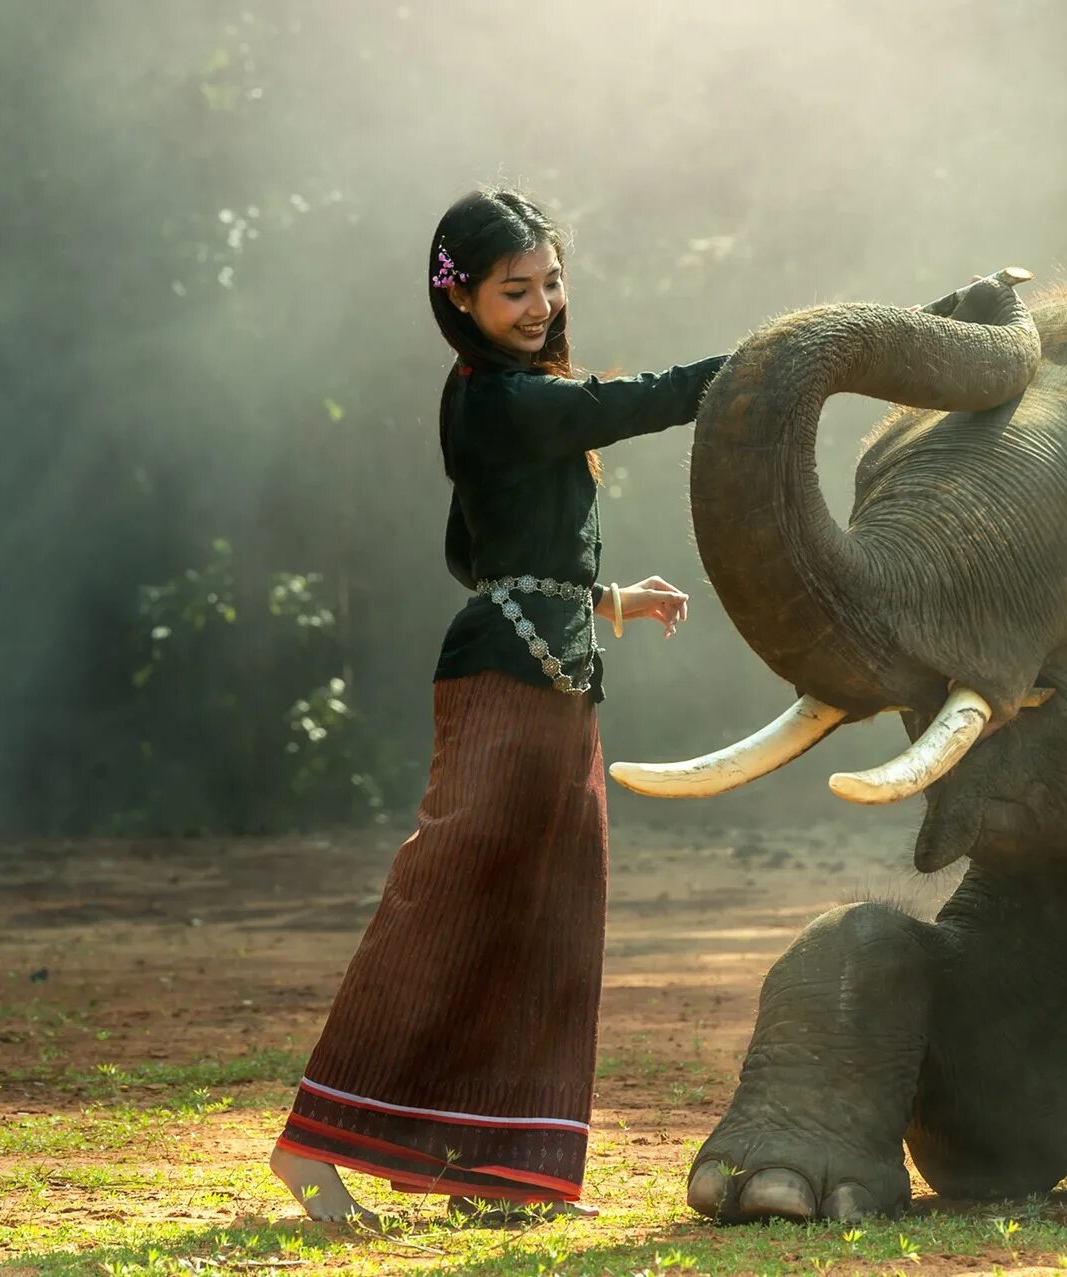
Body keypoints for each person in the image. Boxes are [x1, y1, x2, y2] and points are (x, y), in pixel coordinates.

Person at [268, 187, 726, 1226]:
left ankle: (498, 1166)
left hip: (555, 673)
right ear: (461, 299)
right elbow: (632, 401)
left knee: (551, 919)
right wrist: (763, 367)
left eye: (552, 282)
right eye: (514, 289)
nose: (540, 304)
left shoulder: (513, 400)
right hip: (505, 677)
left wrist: (603, 597)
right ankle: (312, 1143)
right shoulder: (499, 399)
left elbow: (474, 546)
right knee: (445, 903)